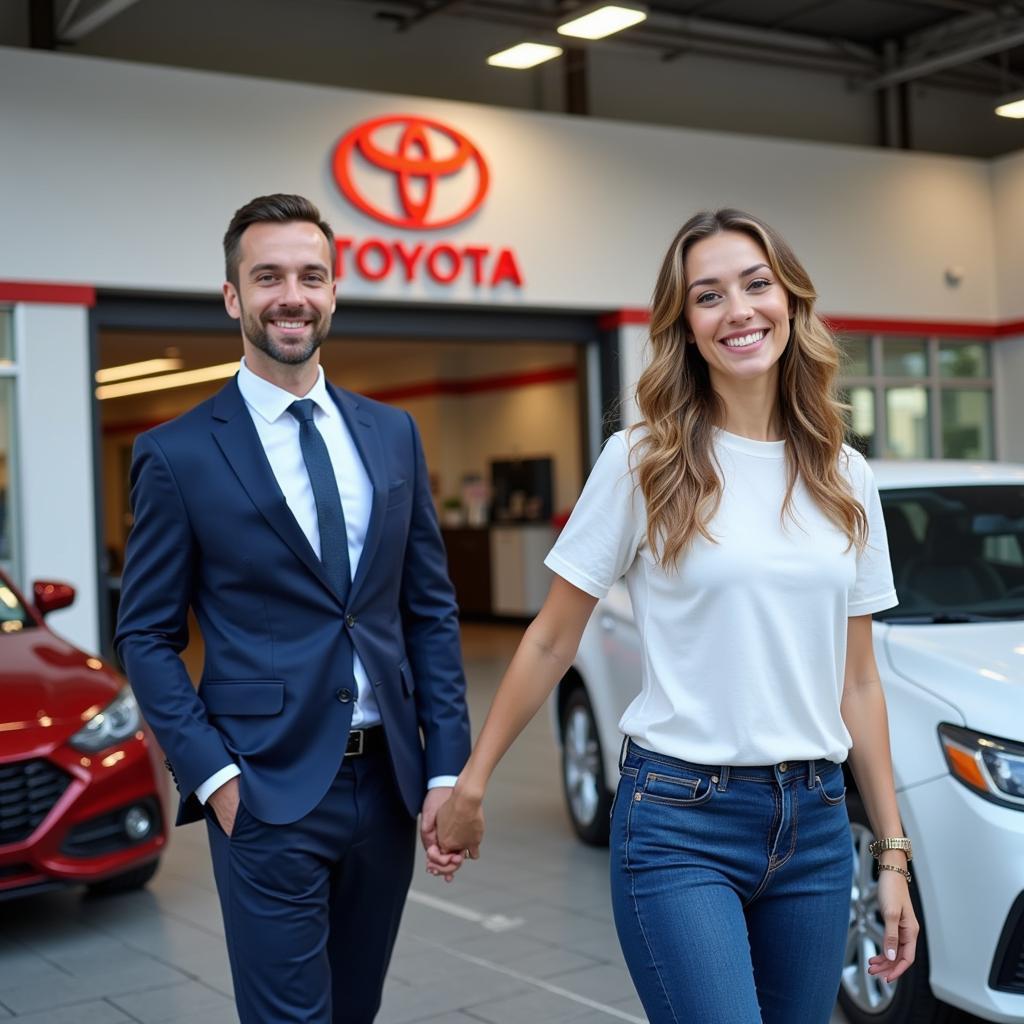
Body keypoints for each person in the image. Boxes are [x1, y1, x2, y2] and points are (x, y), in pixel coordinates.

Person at [435, 209, 919, 1023]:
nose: (739, 311)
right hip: (680, 822)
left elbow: (860, 683)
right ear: (686, 328)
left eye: (756, 285)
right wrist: (472, 784)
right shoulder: (644, 461)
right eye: (709, 296)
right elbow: (553, 636)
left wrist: (894, 857)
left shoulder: (847, 476)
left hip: (818, 826)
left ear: (792, 301)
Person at [116, 193, 471, 1024]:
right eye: (267, 276)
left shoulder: (392, 435)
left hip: (388, 786)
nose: (292, 295)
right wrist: (215, 777)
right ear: (234, 297)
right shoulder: (176, 454)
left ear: (335, 290)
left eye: (311, 275)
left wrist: (446, 770)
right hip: (265, 790)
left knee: (354, 1010)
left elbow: (429, 611)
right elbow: (146, 634)